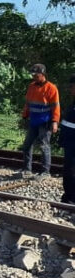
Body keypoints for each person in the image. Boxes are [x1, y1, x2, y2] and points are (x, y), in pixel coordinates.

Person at [21, 64, 60, 178]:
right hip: (33, 121)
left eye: (36, 75)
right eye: (33, 75)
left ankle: (45, 172)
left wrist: (55, 121)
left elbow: (56, 106)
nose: (34, 77)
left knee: (44, 146)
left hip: (45, 122)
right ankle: (27, 170)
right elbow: (28, 103)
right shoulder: (31, 86)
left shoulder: (51, 88)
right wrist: (24, 116)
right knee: (27, 145)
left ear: (43, 74)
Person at [59, 74, 75, 204]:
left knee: (71, 171)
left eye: (72, 86)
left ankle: (72, 198)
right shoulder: (73, 103)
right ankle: (68, 196)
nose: (70, 89)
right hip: (69, 143)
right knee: (68, 170)